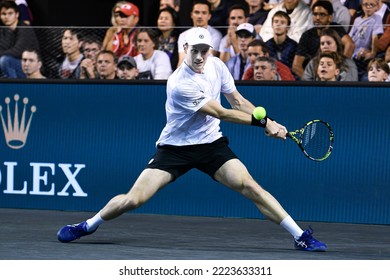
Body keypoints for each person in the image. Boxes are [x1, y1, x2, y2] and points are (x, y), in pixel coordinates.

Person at [57, 27, 327, 252]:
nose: (199, 56)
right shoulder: (178, 83)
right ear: (185, 48)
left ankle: (300, 235)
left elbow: (238, 100)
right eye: (194, 50)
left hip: (211, 145)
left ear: (211, 50)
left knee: (249, 186)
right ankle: (87, 225)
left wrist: (269, 122)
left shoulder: (217, 66)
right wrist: (263, 124)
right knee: (134, 200)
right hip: (175, 149)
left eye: (204, 50)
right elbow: (221, 111)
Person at [292, 0, 355, 79]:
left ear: (330, 17)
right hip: (313, 72)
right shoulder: (307, 35)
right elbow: (296, 65)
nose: (318, 18)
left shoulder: (336, 28)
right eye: (315, 14)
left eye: (322, 15)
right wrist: (310, 81)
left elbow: (350, 44)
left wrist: (340, 65)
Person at [176, 0, 222, 68]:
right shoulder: (183, 35)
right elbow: (182, 59)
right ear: (191, 15)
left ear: (209, 16)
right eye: (197, 12)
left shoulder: (216, 35)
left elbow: (209, 57)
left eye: (204, 13)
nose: (200, 16)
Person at [0, 0, 39, 78]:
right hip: (15, 65)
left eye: (10, 13)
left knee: (5, 60)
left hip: (32, 68)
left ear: (17, 14)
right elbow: (2, 47)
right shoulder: (3, 31)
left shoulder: (24, 28)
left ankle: (14, 87)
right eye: (3, 14)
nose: (6, 17)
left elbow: (19, 51)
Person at [349, 0, 383, 80]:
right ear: (362, 6)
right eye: (366, 4)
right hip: (353, 53)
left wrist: (373, 52)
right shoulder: (357, 20)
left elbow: (375, 36)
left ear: (377, 7)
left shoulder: (377, 18)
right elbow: (350, 37)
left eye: (372, 5)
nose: (368, 7)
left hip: (363, 55)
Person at [157, 6, 180, 71]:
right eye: (160, 18)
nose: (162, 21)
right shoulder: (154, 39)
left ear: (174, 22)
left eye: (166, 18)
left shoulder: (179, 40)